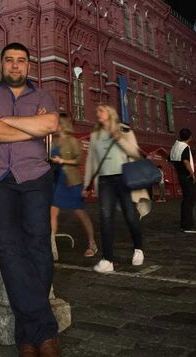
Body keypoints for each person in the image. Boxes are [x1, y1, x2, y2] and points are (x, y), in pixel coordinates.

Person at [0, 42, 61, 357]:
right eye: (9, 60)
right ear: (1, 64)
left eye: (21, 60)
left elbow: (51, 124)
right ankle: (44, 333)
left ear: (29, 66)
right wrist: (31, 128)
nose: (15, 65)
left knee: (39, 244)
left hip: (35, 175)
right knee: (8, 246)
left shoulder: (43, 96)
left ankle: (26, 336)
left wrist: (2, 122)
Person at [84, 104, 146, 274]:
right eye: (96, 110)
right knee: (105, 218)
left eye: (101, 110)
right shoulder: (95, 135)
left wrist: (118, 138)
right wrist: (86, 184)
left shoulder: (124, 130)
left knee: (130, 215)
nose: (97, 113)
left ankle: (138, 249)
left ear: (110, 113)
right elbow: (91, 161)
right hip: (105, 181)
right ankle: (107, 259)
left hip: (124, 178)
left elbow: (135, 152)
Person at [50, 114, 97, 258]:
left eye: (56, 123)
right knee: (52, 212)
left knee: (80, 213)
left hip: (71, 181)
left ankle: (92, 243)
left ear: (62, 124)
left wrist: (62, 161)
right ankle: (52, 248)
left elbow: (78, 160)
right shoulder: (53, 141)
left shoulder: (72, 140)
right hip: (56, 181)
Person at [170, 128, 196, 233]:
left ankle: (184, 224)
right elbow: (186, 161)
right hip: (187, 176)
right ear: (190, 137)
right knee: (190, 200)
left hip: (181, 175)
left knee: (186, 200)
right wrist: (192, 173)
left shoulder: (175, 146)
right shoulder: (185, 147)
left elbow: (171, 160)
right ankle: (188, 226)